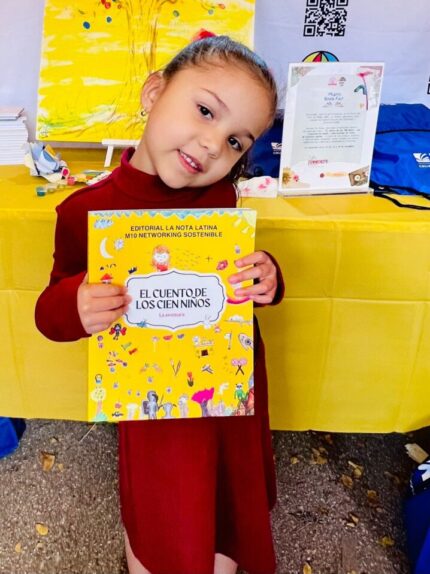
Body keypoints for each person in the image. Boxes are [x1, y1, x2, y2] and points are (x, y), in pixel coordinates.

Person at [35, 35, 285, 574]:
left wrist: (267, 277)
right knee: (165, 509)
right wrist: (76, 305)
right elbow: (48, 314)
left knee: (226, 504)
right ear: (154, 92)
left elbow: (237, 288)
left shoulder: (221, 199)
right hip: (155, 410)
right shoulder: (86, 211)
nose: (213, 145)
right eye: (205, 111)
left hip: (228, 395)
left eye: (236, 141)